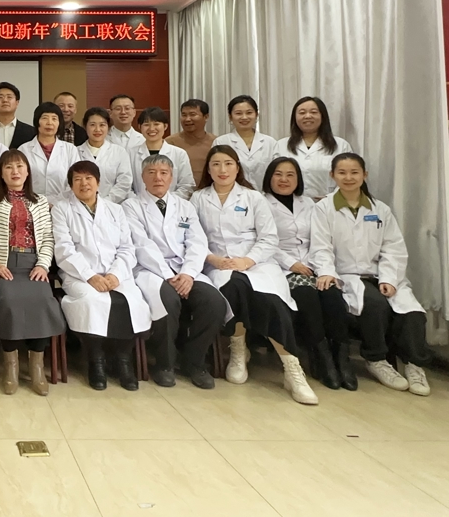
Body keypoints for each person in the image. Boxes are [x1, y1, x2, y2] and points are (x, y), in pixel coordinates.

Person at [191, 145, 317, 404]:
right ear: (208, 170)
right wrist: (213, 259)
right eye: (216, 164)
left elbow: (269, 238)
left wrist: (247, 260)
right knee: (232, 288)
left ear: (237, 168)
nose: (222, 169)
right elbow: (192, 238)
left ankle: (291, 368)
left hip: (257, 263)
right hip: (218, 264)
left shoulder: (253, 198)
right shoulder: (198, 199)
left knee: (270, 301)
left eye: (228, 164)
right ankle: (239, 350)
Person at [310, 153, 432, 396]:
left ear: (364, 175)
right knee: (375, 305)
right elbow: (320, 246)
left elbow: (393, 247)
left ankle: (414, 365)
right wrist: (326, 272)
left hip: (380, 273)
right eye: (342, 172)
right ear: (332, 175)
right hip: (348, 275)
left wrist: (389, 279)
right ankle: (376, 359)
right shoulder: (323, 209)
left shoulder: (380, 209)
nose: (348, 177)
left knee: (412, 312)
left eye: (354, 172)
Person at [122, 155, 228, 390]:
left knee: (214, 302)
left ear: (171, 177)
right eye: (151, 173)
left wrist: (188, 274)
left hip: (185, 269)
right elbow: (141, 245)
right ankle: (165, 364)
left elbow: (197, 242)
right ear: (142, 177)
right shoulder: (131, 206)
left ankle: (194, 361)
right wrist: (168, 275)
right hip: (151, 270)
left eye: (163, 173)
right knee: (167, 300)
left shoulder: (185, 206)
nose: (158, 178)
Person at [51, 160, 150, 391]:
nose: (83, 183)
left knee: (131, 301)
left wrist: (115, 275)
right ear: (70, 185)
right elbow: (64, 249)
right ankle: (96, 361)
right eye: (77, 179)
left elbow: (126, 247)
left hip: (117, 274)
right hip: (79, 275)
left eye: (88, 178)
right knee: (92, 301)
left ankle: (123, 361)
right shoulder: (62, 209)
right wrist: (90, 276)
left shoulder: (116, 210)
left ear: (98, 182)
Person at [0, 150, 65, 396]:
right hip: (1, 265)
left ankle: (37, 366)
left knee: (42, 300)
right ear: (1, 174)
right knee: (10, 302)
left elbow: (48, 238)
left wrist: (43, 265)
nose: (15, 172)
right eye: (8, 167)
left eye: (19, 166)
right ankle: (11, 366)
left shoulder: (40, 201)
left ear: (27, 172)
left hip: (33, 265)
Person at [262, 157, 349, 390]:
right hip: (280, 265)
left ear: (298, 179)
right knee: (306, 296)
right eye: (278, 174)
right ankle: (321, 358)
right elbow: (264, 241)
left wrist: (323, 270)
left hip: (314, 263)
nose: (284, 179)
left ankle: (341, 359)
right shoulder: (261, 203)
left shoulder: (309, 204)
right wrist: (292, 263)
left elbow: (320, 240)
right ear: (269, 177)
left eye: (290, 175)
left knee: (332, 296)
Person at [275, 96, 352, 200]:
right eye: (302, 113)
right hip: (291, 204)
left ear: (322, 116)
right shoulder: (281, 145)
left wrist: (331, 198)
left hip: (330, 204)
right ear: (295, 118)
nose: (308, 116)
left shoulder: (341, 145)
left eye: (314, 112)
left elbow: (349, 176)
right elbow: (274, 177)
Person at [18, 102, 80, 206]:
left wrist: (56, 203)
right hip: (31, 205)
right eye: (45, 118)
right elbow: (19, 181)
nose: (49, 123)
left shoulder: (70, 150)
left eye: (54, 119)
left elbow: (75, 179)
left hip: (63, 205)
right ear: (37, 122)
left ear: (59, 123)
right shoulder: (23, 149)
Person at [129, 107, 196, 200]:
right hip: (139, 204)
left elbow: (187, 186)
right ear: (140, 127)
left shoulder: (179, 154)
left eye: (156, 124)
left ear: (165, 126)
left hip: (172, 204)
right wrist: (139, 202)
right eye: (147, 124)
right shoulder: (130, 153)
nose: (151, 128)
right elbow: (127, 186)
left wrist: (165, 202)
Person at [214, 95, 276, 191]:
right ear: (230, 116)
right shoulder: (221, 142)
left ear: (256, 115)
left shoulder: (270, 142)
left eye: (249, 112)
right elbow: (216, 171)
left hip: (265, 195)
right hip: (232, 195)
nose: (244, 117)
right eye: (238, 113)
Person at [76, 106, 133, 204]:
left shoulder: (119, 152)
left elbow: (124, 182)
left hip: (112, 204)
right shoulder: (75, 152)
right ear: (85, 126)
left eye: (102, 125)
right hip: (81, 204)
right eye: (92, 125)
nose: (97, 129)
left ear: (108, 127)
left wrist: (105, 202)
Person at [165, 99, 216, 185]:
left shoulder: (216, 142)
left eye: (193, 114)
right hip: (179, 191)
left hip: (209, 191)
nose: (187, 119)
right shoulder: (170, 142)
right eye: (184, 115)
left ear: (206, 117)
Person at [0, 82, 36, 149]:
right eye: (0, 97)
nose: (5, 100)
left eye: (9, 97)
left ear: (17, 103)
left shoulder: (31, 132)